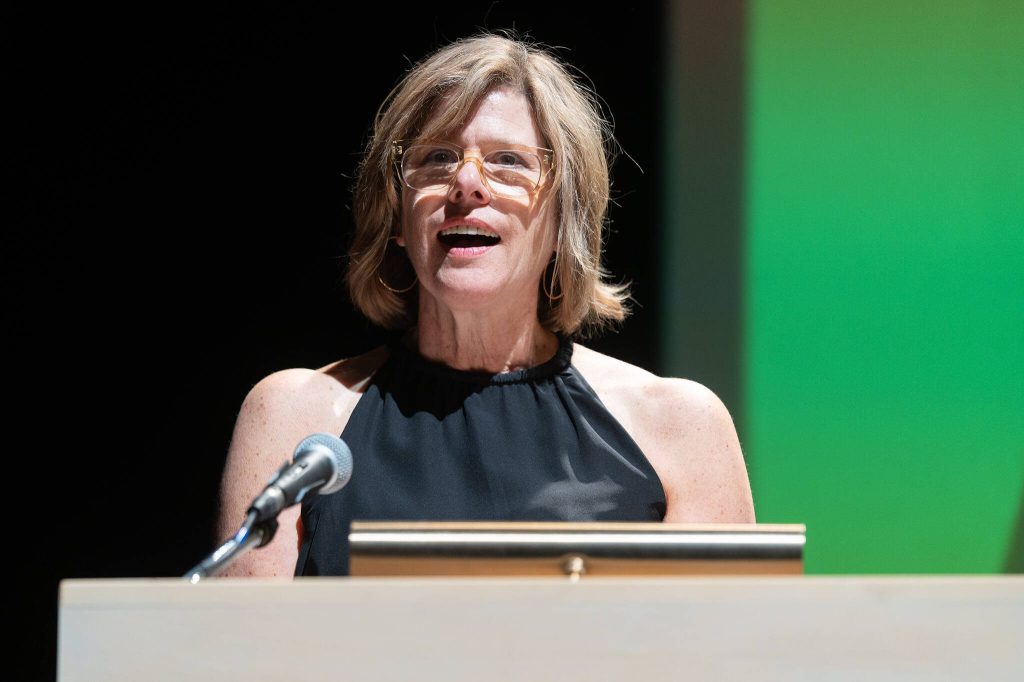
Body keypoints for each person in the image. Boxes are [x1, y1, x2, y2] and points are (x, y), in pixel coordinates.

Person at [216, 32, 755, 577]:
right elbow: (244, 656)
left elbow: (729, 656)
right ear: (397, 215)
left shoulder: (678, 428)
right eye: (437, 158)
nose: (467, 184)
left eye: (508, 162)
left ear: (563, 220)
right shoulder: (298, 423)